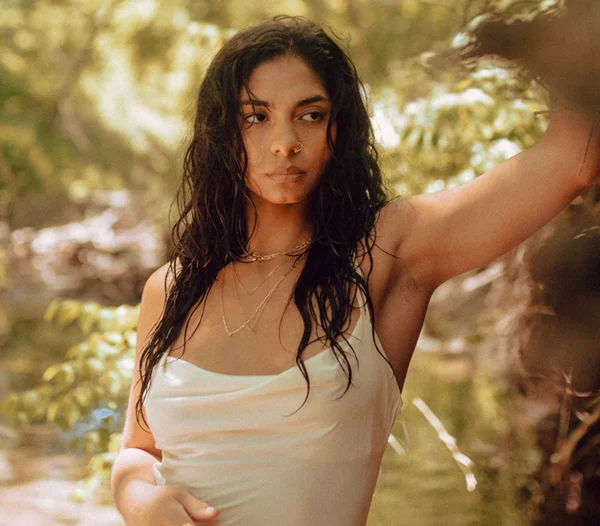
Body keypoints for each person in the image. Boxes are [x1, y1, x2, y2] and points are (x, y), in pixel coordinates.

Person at [110, 15, 599, 526]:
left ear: (337, 130)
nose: (284, 142)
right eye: (256, 117)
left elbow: (572, 160)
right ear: (221, 132)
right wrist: (141, 500)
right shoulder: (172, 287)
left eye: (310, 115)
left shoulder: (384, 253)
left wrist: (566, 34)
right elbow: (138, 451)